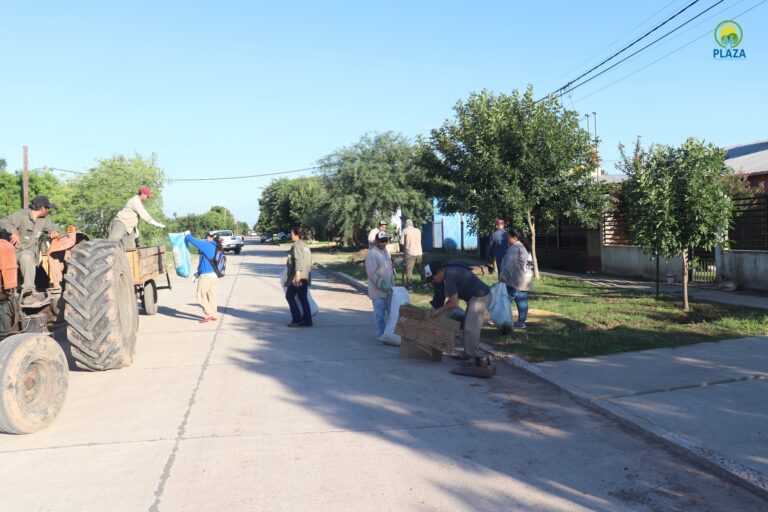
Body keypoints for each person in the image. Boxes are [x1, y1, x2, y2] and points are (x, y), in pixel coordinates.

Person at [426, 261, 494, 377]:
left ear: (439, 272)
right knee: (466, 323)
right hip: (475, 297)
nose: (433, 281)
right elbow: (453, 299)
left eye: (432, 278)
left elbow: (454, 304)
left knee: (470, 329)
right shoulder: (447, 271)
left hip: (480, 297)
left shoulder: (449, 279)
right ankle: (467, 354)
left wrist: (439, 311)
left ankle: (476, 361)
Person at [0, 195, 61, 302]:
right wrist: (13, 231)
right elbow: (3, 221)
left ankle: (29, 292)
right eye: (47, 208)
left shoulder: (44, 220)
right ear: (42, 209)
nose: (48, 210)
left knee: (27, 257)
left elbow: (53, 229)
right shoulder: (21, 215)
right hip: (13, 252)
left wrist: (54, 232)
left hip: (29, 252)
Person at [500, 228, 533, 329]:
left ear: (514, 238)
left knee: (505, 300)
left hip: (515, 280)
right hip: (526, 280)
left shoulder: (515, 248)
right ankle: (521, 323)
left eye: (508, 237)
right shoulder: (525, 247)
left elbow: (510, 265)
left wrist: (503, 277)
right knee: (522, 301)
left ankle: (498, 319)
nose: (506, 239)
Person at [365, 230, 394, 340]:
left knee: (392, 314)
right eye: (381, 241)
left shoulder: (385, 252)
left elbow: (388, 266)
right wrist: (380, 283)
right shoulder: (372, 254)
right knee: (379, 315)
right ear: (376, 241)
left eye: (385, 241)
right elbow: (371, 273)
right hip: (378, 291)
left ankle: (390, 334)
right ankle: (381, 335)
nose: (384, 243)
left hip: (389, 289)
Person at [185, 231, 219, 323]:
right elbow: (205, 263)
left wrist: (188, 235)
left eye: (208, 236)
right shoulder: (215, 246)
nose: (207, 237)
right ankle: (214, 314)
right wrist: (198, 273)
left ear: (212, 237)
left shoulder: (208, 246)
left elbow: (195, 242)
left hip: (206, 277)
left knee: (200, 295)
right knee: (211, 295)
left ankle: (209, 314)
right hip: (213, 276)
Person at [285, 226, 313, 328]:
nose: (290, 235)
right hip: (305, 276)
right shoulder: (305, 246)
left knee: (289, 296)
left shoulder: (296, 246)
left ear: (296, 235)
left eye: (292, 233)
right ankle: (308, 321)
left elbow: (298, 260)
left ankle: (297, 320)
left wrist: (297, 275)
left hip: (298, 277)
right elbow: (310, 261)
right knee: (303, 298)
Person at [401, 218, 423, 290]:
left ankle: (410, 286)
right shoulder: (418, 230)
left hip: (410, 253)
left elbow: (402, 243)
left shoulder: (405, 231)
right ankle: (425, 283)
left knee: (409, 271)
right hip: (419, 252)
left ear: (406, 224)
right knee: (420, 269)